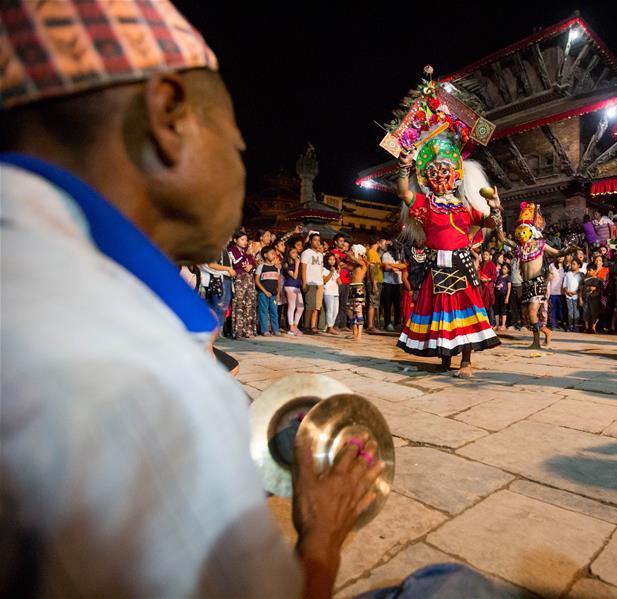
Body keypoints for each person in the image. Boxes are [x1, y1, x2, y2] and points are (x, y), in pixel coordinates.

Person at [0, 2, 386, 596]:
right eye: (235, 147)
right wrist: (322, 536)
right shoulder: (143, 385)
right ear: (169, 116)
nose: (239, 168)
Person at [391, 75, 501, 377]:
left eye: (446, 171)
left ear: (455, 176)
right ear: (428, 177)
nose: (440, 175)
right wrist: (404, 164)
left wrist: (495, 213)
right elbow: (403, 191)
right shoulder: (425, 206)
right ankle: (444, 359)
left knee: (466, 314)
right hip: (435, 266)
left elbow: (488, 222)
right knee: (440, 315)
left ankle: (466, 361)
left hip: (462, 264)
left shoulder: (465, 208)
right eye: (434, 172)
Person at [498, 202, 574, 349]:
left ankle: (536, 342)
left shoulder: (541, 245)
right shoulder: (519, 248)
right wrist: (498, 220)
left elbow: (557, 253)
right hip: (526, 284)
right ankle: (546, 331)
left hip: (538, 283)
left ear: (531, 231)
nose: (521, 233)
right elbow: (502, 239)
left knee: (532, 313)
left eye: (524, 230)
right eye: (519, 231)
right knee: (527, 318)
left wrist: (568, 250)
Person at [228, 231, 258, 339]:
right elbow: (236, 263)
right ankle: (238, 331)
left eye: (245, 240)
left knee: (250, 303)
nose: (245, 242)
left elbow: (254, 264)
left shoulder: (246, 251)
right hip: (239, 279)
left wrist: (251, 267)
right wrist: (247, 255)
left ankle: (248, 330)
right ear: (235, 240)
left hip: (249, 278)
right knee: (239, 304)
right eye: (242, 239)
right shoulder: (232, 250)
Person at [300, 232, 325, 334]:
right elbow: (303, 269)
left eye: (319, 240)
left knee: (316, 307)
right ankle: (306, 326)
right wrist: (304, 283)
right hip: (310, 282)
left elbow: (320, 269)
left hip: (319, 282)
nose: (317, 242)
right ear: (310, 241)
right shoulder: (306, 253)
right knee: (309, 306)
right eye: (315, 240)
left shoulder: (320, 254)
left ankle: (313, 326)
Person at [255, 245, 282, 336]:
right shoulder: (261, 266)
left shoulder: (276, 267)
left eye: (274, 254)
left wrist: (278, 293)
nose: (274, 255)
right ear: (265, 255)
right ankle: (264, 330)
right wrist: (265, 291)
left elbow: (278, 281)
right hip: (263, 294)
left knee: (274, 311)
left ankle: (275, 329)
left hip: (274, 294)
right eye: (272, 253)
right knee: (263, 311)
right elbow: (257, 281)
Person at [346, 244, 370, 341]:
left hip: (358, 288)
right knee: (350, 312)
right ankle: (355, 333)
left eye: (353, 250)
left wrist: (350, 255)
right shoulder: (355, 264)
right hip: (352, 288)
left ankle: (359, 334)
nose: (351, 252)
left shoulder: (363, 262)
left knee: (358, 312)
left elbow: (355, 260)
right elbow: (348, 265)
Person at [380, 241, 405, 332]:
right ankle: (388, 323)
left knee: (398, 304)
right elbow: (385, 267)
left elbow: (404, 266)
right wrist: (397, 266)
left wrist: (393, 266)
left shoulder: (401, 255)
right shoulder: (386, 255)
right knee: (387, 304)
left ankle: (397, 323)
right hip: (388, 282)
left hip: (398, 282)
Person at [283, 246, 304, 336]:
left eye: (296, 252)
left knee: (301, 307)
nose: (295, 254)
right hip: (290, 286)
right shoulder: (287, 264)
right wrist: (297, 264)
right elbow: (294, 276)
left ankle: (295, 325)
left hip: (297, 286)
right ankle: (291, 326)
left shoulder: (296, 263)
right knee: (292, 306)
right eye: (293, 252)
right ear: (289, 254)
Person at [366, 236, 386, 331]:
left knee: (375, 304)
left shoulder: (374, 253)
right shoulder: (372, 253)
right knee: (372, 303)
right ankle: (370, 325)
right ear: (378, 243)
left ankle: (372, 324)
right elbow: (371, 269)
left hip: (377, 281)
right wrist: (374, 284)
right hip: (375, 281)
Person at [582, 263, 604, 333]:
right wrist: (580, 298)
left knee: (594, 313)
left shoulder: (598, 280)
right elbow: (581, 289)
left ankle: (593, 327)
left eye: (590, 270)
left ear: (595, 270)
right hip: (586, 298)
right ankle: (586, 327)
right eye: (587, 270)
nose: (588, 272)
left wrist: (595, 289)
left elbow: (601, 289)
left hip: (595, 299)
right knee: (586, 312)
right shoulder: (585, 280)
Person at [322, 252, 340, 335]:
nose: (332, 261)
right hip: (328, 292)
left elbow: (339, 282)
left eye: (333, 259)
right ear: (326, 260)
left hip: (335, 292)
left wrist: (337, 272)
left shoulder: (334, 269)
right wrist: (331, 272)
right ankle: (330, 327)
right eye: (330, 260)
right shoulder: (324, 269)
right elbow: (325, 280)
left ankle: (330, 326)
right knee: (330, 310)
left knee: (336, 311)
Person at [478, 250, 498, 327]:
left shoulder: (492, 264)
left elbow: (494, 276)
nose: (484, 256)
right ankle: (485, 323)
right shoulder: (481, 264)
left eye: (486, 254)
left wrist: (487, 279)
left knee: (489, 305)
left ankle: (492, 324)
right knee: (482, 305)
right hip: (482, 287)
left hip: (489, 287)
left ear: (489, 256)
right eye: (483, 254)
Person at [563, 258, 583, 332]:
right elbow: (564, 284)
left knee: (576, 311)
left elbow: (582, 285)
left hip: (577, 296)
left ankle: (576, 326)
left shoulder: (581, 274)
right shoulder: (568, 274)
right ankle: (570, 325)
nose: (572, 265)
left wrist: (576, 292)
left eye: (574, 264)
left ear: (579, 265)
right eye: (572, 264)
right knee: (570, 311)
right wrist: (567, 291)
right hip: (568, 295)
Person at [548, 255, 566, 329]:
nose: (560, 257)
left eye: (562, 256)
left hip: (563, 293)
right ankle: (553, 325)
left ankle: (561, 324)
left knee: (562, 310)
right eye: (559, 256)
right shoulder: (551, 266)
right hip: (553, 292)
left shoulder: (566, 267)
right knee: (553, 309)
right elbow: (548, 278)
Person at [495, 263, 512, 331]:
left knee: (503, 310)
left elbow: (509, 288)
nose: (503, 270)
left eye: (505, 269)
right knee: (497, 309)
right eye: (502, 268)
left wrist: (507, 297)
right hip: (497, 295)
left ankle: (503, 325)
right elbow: (496, 284)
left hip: (504, 295)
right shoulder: (499, 276)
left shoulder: (508, 277)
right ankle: (497, 325)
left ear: (508, 270)